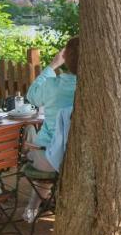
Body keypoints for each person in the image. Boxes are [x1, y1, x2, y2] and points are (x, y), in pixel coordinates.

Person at [21, 37, 78, 223]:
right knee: (47, 147)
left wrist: (53, 65)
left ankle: (32, 208)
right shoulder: (92, 87)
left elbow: (32, 96)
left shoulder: (53, 85)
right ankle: (37, 206)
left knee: (38, 145)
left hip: (48, 160)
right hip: (77, 158)